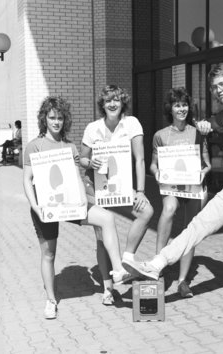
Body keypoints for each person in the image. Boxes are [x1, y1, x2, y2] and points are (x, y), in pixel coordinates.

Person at [122, 63, 223, 314]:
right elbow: (206, 124)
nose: (218, 90)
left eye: (222, 84)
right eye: (214, 87)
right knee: (199, 223)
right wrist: (205, 125)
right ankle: (157, 263)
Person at [23, 96, 130, 319]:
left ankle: (118, 269)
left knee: (106, 219)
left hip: (71, 203)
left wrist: (83, 200)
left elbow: (76, 177)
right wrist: (35, 207)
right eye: (52, 117)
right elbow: (27, 179)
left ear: (65, 120)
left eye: (60, 118)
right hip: (46, 208)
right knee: (49, 254)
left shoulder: (69, 146)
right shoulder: (34, 145)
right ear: (44, 119)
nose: (56, 122)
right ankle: (51, 300)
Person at [80, 85, 154, 302]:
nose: (112, 104)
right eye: (108, 100)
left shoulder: (131, 123)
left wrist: (140, 191)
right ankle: (107, 288)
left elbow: (139, 159)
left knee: (147, 211)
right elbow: (82, 159)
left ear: (123, 103)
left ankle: (127, 259)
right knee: (101, 236)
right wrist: (90, 162)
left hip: (121, 185)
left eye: (116, 100)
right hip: (96, 185)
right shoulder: (93, 128)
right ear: (102, 105)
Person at [150, 87, 211, 298]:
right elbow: (153, 164)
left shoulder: (197, 133)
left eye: (184, 104)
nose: (181, 109)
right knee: (168, 209)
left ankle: (183, 280)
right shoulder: (161, 135)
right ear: (171, 108)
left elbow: (207, 164)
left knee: (189, 228)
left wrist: (204, 172)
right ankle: (157, 267)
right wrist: (157, 172)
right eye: (177, 105)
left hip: (193, 187)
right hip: (171, 187)